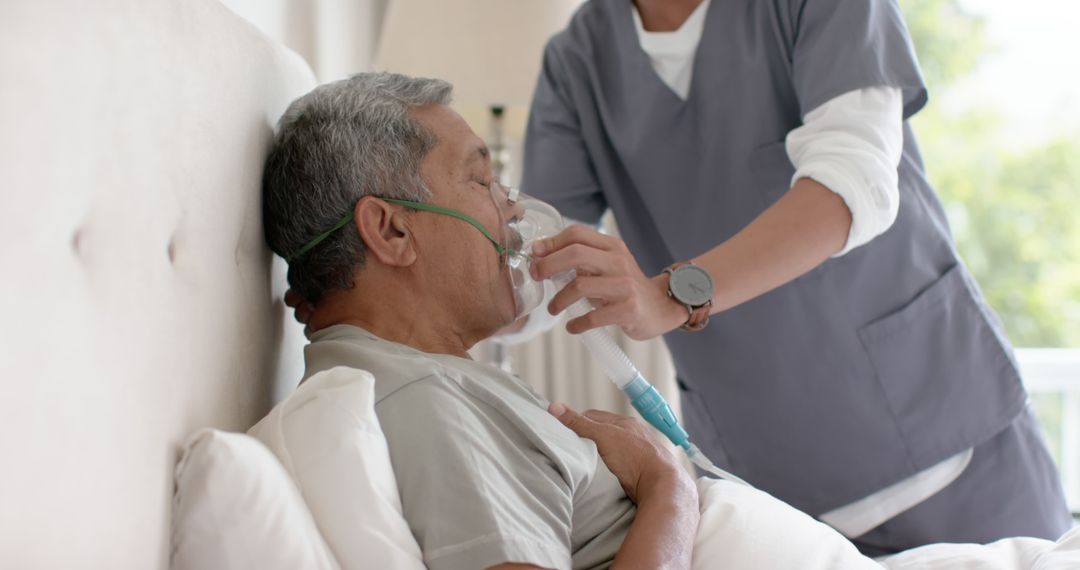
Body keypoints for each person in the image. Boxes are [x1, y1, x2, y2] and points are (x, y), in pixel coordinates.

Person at [520, 0, 1071, 556]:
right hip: (776, 499)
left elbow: (852, 181)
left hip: (948, 446)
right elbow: (539, 264)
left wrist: (669, 295)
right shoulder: (578, 61)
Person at [262, 72, 701, 570]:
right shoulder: (426, 400)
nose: (512, 205)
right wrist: (670, 487)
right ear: (391, 230)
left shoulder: (434, 379)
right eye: (481, 180)